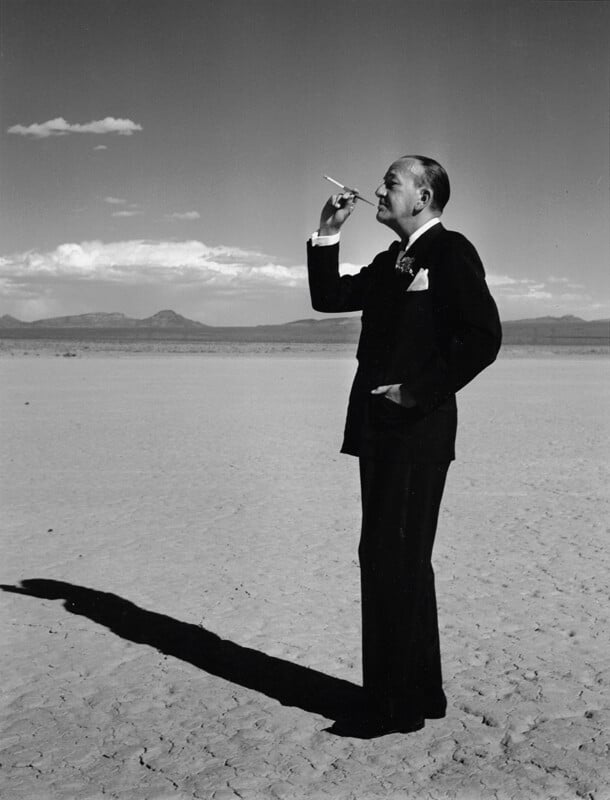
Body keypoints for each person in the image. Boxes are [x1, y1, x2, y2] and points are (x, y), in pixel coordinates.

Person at [307, 155, 502, 738]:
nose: (376, 190)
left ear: (423, 196)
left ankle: (394, 708)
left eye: (391, 182)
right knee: (395, 558)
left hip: (417, 433)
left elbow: (484, 338)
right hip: (380, 431)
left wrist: (416, 394)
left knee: (395, 557)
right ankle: (420, 693)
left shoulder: (451, 251)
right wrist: (328, 234)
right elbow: (329, 298)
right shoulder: (391, 260)